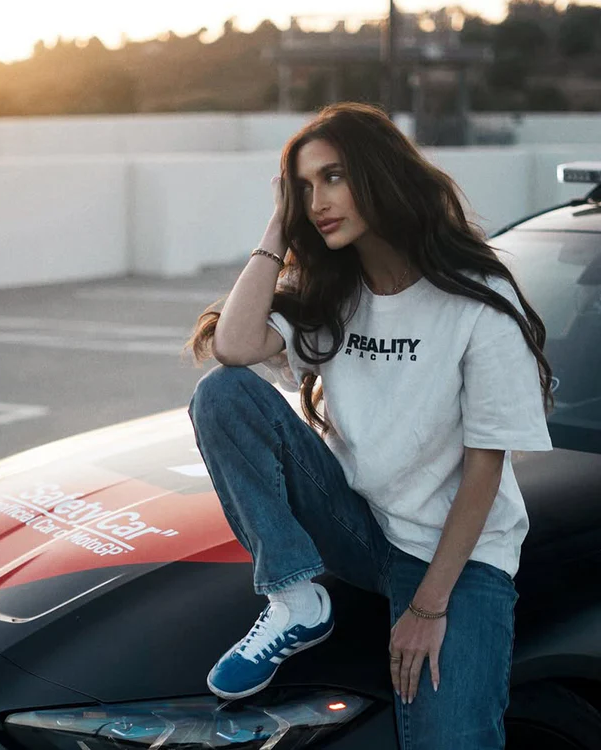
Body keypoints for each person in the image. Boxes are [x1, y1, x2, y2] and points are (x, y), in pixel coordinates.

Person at [182, 102, 554, 750]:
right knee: (222, 395)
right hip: (355, 520)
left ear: (380, 176)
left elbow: (484, 469)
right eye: (302, 187)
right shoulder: (335, 289)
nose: (317, 200)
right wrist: (278, 229)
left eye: (333, 178)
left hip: (450, 554)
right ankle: (296, 600)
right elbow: (236, 349)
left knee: (452, 740)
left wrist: (428, 606)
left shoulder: (476, 301)